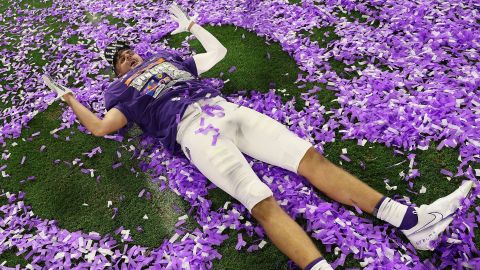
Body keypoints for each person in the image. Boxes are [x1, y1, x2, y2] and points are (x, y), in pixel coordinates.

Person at [43, 4, 474, 270]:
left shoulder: (164, 58)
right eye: (120, 59)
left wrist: (193, 25)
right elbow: (101, 127)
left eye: (128, 50)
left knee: (311, 159)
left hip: (228, 111)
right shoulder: (121, 91)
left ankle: (413, 222)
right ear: (116, 71)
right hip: (194, 133)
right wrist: (69, 99)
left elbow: (218, 55)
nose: (129, 57)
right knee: (262, 203)